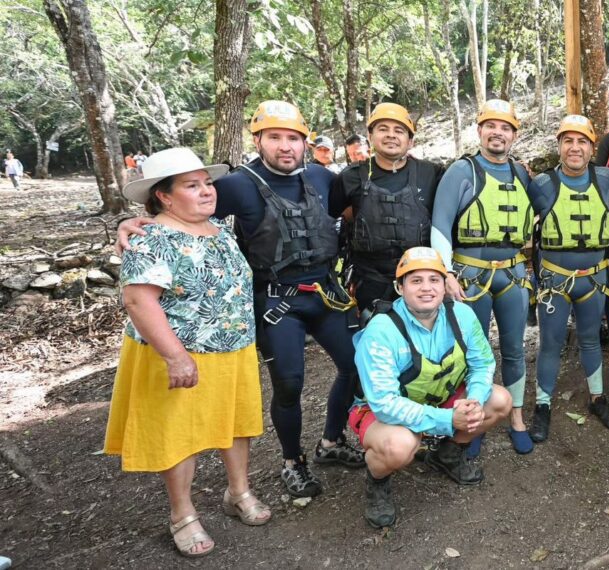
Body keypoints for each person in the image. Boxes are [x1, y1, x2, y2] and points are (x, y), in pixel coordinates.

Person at [117, 100, 364, 499]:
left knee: (355, 367)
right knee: (289, 383)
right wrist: (129, 221)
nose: (285, 146)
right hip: (277, 301)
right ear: (258, 140)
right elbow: (182, 211)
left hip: (325, 292)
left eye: (293, 138)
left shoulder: (323, 177)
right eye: (275, 138)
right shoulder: (237, 184)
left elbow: (353, 210)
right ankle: (292, 462)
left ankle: (331, 443)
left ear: (305, 142)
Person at [106, 147, 271, 558]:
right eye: (191, 185)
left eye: (207, 183)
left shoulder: (219, 228)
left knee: (236, 424)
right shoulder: (152, 238)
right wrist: (175, 356)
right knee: (179, 435)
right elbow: (139, 301)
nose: (205, 191)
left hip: (232, 349)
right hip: (182, 352)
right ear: (163, 196)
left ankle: (239, 492)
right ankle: (182, 515)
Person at [350, 246, 510, 528]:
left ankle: (447, 455)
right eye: (416, 281)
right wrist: (448, 419)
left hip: (440, 397)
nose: (427, 288)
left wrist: (472, 401)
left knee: (498, 400)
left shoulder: (461, 315)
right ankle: (377, 482)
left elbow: (483, 363)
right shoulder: (381, 331)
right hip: (385, 412)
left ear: (444, 284)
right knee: (400, 446)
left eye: (434, 280)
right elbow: (385, 403)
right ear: (400, 288)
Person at [431, 99, 534, 455]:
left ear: (514, 135)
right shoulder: (462, 171)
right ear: (479, 131)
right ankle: (474, 421)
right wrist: (444, 271)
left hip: (513, 273)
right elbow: (441, 223)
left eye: (505, 127)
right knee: (472, 351)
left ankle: (517, 416)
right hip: (468, 274)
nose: (497, 133)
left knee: (514, 347)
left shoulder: (522, 173)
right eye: (491, 126)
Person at [526, 115, 609, 439]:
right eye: (567, 140)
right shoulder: (541, 184)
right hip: (555, 282)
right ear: (559, 146)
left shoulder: (608, 180)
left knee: (590, 340)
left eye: (581, 141)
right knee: (551, 343)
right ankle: (542, 405)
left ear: (592, 147)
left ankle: (598, 398)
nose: (574, 147)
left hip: (594, 281)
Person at [334, 102, 444, 317]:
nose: (391, 135)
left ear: (410, 140)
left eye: (399, 130)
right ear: (370, 135)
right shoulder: (351, 177)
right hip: (370, 280)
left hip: (421, 280)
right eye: (383, 129)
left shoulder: (431, 174)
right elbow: (335, 217)